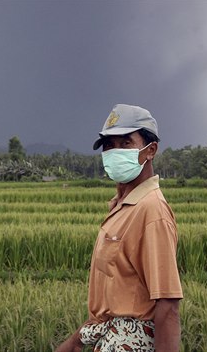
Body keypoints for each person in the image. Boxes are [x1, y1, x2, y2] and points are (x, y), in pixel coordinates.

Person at [56, 104, 183, 352]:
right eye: (109, 145)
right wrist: (75, 342)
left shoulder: (151, 211)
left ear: (151, 150)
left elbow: (167, 306)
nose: (115, 152)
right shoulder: (124, 205)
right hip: (109, 337)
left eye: (125, 143)